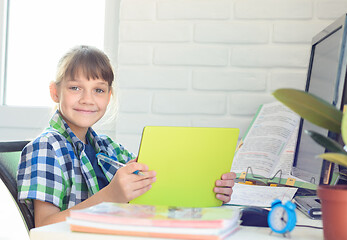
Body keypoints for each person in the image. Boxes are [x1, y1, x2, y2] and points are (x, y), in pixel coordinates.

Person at [17, 45, 236, 228]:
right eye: (75, 87)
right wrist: (111, 196)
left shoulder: (108, 147)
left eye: (98, 90)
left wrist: (209, 189)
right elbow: (44, 227)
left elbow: (155, 190)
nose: (87, 99)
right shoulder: (47, 148)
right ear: (55, 92)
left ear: (109, 96)